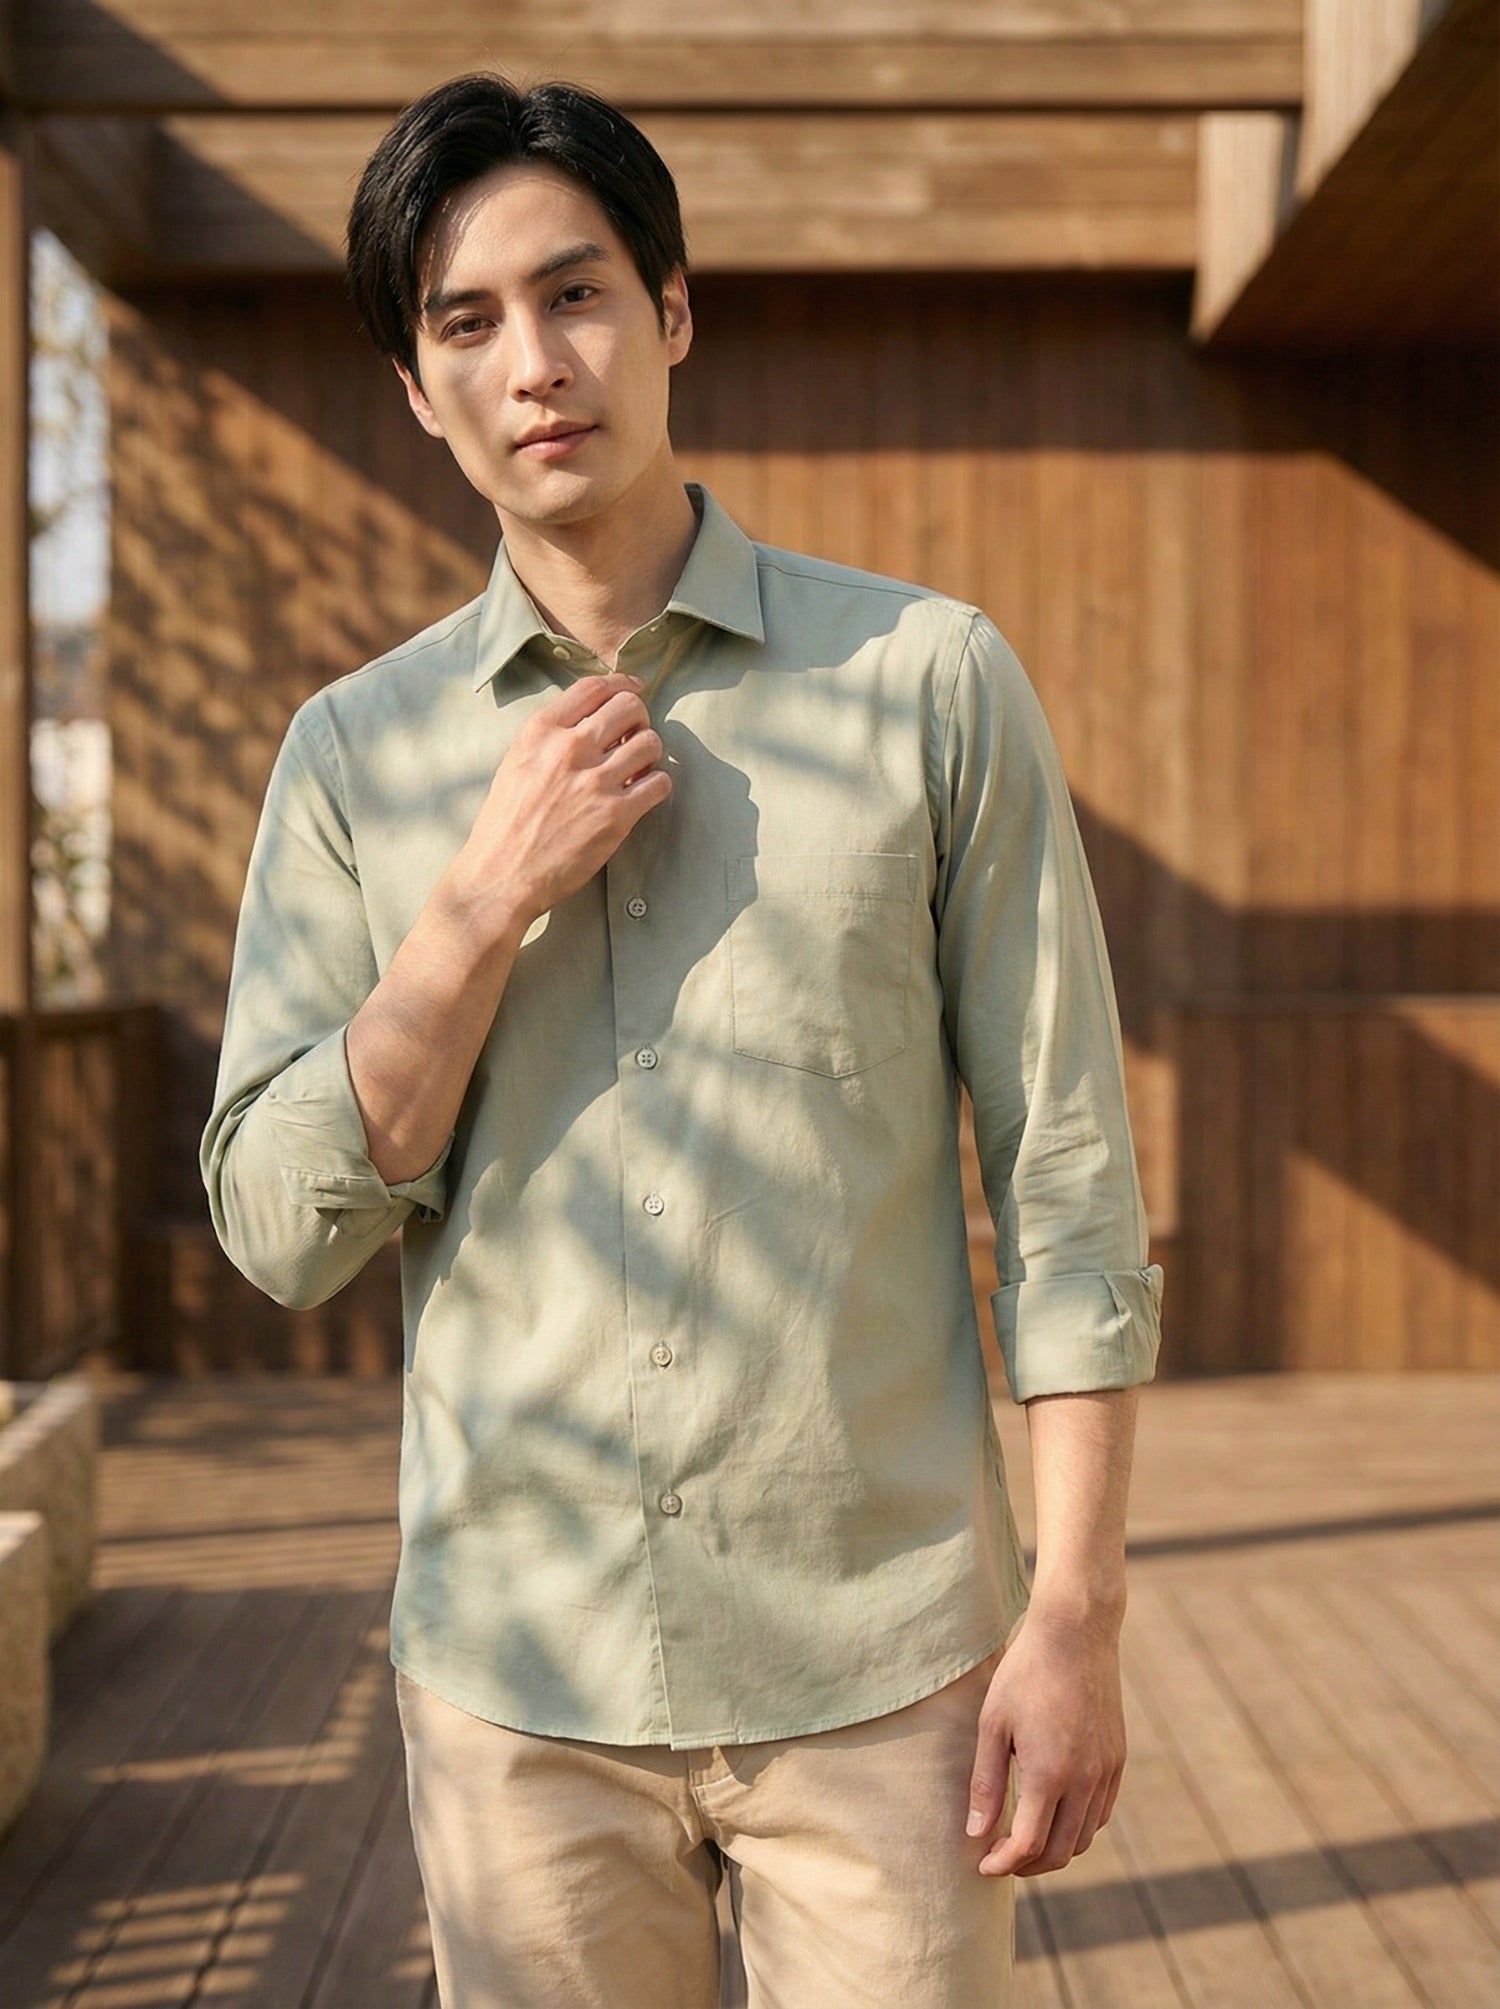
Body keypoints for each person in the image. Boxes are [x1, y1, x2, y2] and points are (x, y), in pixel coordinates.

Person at [201, 70, 1164, 2009]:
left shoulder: (925, 684)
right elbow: (278, 1227)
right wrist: (475, 912)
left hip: (888, 1675)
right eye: (464, 323)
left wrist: (1072, 1617)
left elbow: (1063, 1181)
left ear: (674, 313)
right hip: (517, 1694)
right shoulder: (357, 759)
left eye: (575, 295)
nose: (533, 364)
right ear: (414, 389)